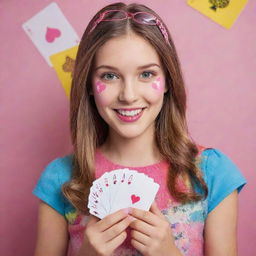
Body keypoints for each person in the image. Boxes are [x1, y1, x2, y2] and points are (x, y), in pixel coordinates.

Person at [32, 2, 247, 256]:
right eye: (109, 76)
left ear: (168, 80)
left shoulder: (211, 174)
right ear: (89, 85)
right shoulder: (62, 180)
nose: (129, 95)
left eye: (146, 74)